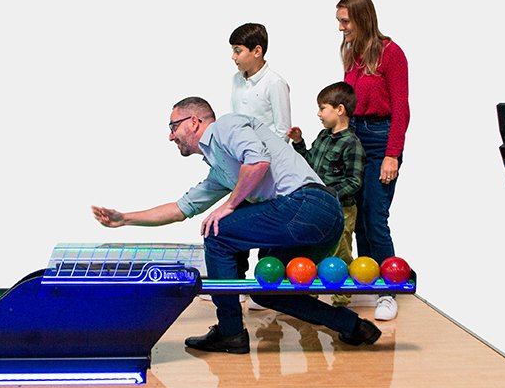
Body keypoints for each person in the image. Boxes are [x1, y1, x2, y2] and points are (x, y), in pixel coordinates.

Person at [91, 97, 382, 354]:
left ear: (194, 122)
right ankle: (352, 326)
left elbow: (258, 162)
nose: (170, 136)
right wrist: (125, 219)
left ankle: (230, 332)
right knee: (269, 290)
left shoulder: (226, 126)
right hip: (322, 220)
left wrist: (229, 205)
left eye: (173, 126)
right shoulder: (221, 170)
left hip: (308, 205)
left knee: (217, 233)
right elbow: (180, 209)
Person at [336, 0, 410, 322]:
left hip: (381, 139)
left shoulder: (391, 54)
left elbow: (401, 108)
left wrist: (392, 155)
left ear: (362, 19)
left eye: (345, 21)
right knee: (358, 216)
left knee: (375, 215)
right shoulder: (351, 53)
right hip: (355, 138)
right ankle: (368, 278)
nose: (341, 28)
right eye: (339, 21)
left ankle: (388, 291)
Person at [228, 22, 292, 311]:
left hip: (267, 168)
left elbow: (282, 129)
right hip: (242, 163)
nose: (233, 57)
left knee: (266, 226)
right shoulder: (236, 80)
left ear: (257, 51)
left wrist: (264, 161)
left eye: (238, 51)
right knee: (235, 221)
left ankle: (266, 287)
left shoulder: (275, 83)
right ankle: (237, 286)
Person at [287, 81, 365, 306]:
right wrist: (299, 143)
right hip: (320, 206)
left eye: (323, 108)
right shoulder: (323, 136)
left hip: (342, 209)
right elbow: (310, 163)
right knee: (315, 249)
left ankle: (342, 301)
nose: (319, 113)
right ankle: (310, 297)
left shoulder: (352, 144)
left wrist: (329, 193)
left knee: (340, 252)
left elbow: (354, 181)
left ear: (339, 110)